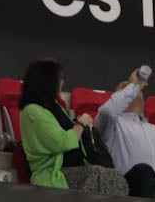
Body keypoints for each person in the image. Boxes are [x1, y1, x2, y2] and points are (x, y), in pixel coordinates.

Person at [16, 57, 122, 193]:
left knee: (118, 177)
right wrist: (81, 124)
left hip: (69, 169)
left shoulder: (54, 107)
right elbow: (62, 142)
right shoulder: (32, 111)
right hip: (52, 175)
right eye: (59, 78)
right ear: (47, 80)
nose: (62, 82)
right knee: (102, 176)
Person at [95, 68, 155, 187]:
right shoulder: (112, 126)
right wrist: (133, 87)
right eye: (124, 90)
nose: (128, 89)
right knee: (143, 171)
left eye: (130, 89)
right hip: (126, 192)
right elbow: (108, 111)